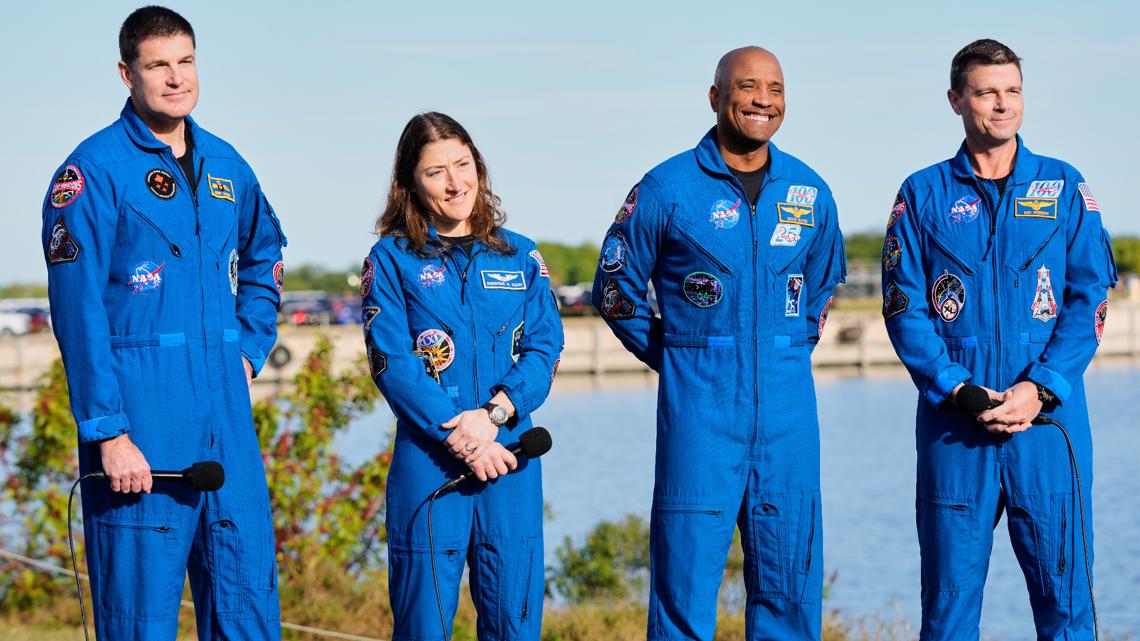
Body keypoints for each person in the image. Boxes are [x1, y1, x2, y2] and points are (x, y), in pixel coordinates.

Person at [41, 7, 286, 639]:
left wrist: (248, 348)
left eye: (185, 61)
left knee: (247, 609)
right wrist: (109, 432)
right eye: (158, 66)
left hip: (226, 422)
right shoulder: (91, 172)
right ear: (127, 73)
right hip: (143, 428)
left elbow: (266, 255)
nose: (176, 78)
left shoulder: (229, 166)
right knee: (138, 619)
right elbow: (78, 313)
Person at [593, 47, 846, 640]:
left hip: (789, 424)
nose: (764, 100)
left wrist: (779, 351)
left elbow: (821, 287)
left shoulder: (809, 191)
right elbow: (614, 288)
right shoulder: (667, 188)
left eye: (776, 89)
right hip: (699, 424)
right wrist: (680, 355)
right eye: (749, 86)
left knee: (790, 593)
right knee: (683, 596)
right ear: (715, 97)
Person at [882, 39, 1117, 640]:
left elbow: (1088, 298)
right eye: (986, 92)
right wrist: (956, 389)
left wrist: (1042, 387)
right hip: (957, 427)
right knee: (949, 610)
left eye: (1012, 90)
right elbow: (904, 308)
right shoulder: (922, 194)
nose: (1002, 104)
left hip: (1048, 425)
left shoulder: (1064, 187)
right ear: (956, 99)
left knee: (1068, 607)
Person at [361, 112, 563, 641]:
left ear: (479, 166)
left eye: (463, 165)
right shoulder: (391, 259)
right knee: (424, 627)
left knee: (514, 625)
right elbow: (392, 363)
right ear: (410, 182)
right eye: (436, 172)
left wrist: (496, 415)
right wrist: (465, 437)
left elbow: (546, 347)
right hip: (431, 464)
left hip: (512, 460)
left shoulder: (520, 255)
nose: (455, 183)